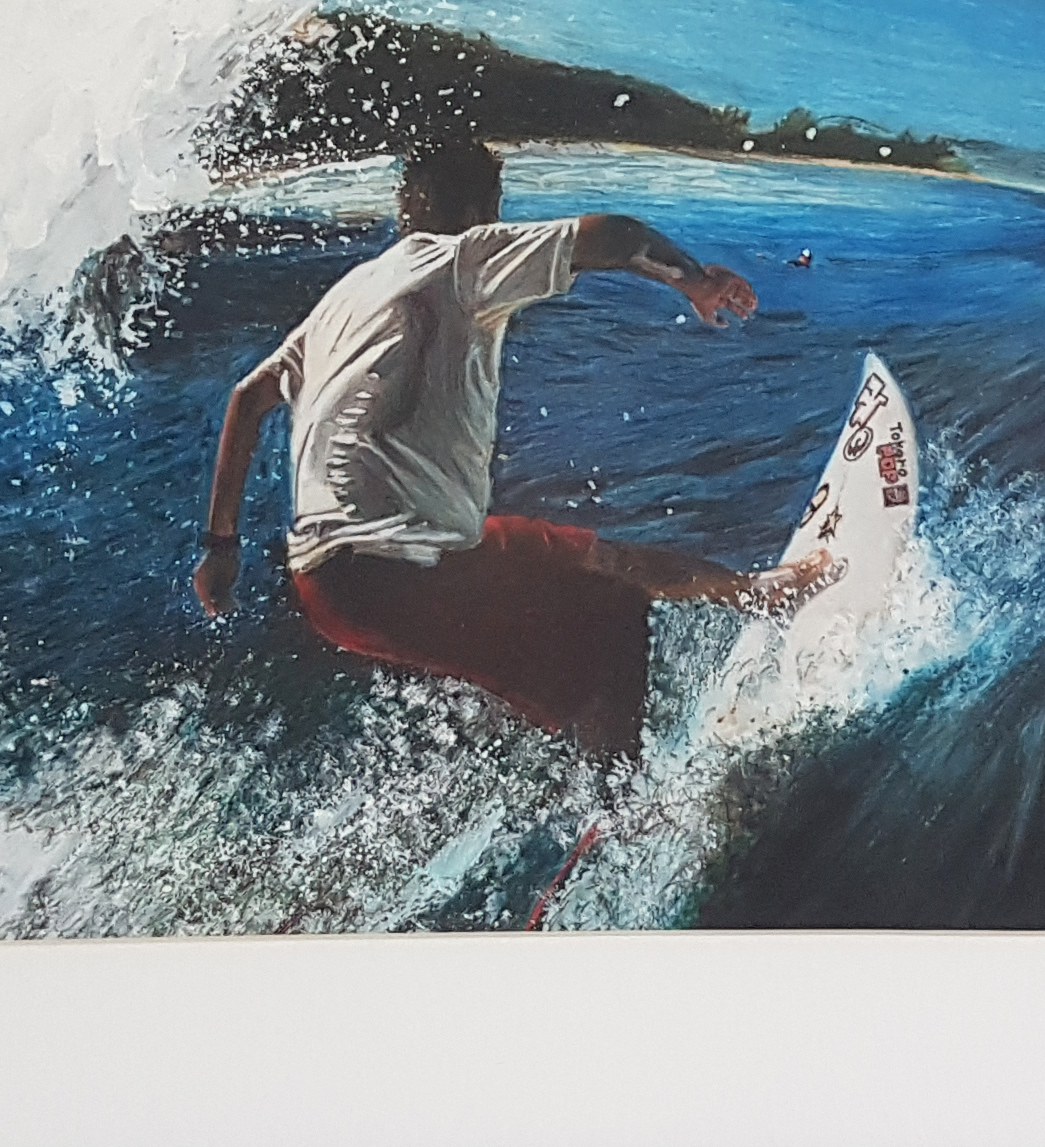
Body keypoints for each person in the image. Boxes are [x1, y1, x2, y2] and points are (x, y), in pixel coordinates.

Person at [191, 140, 827, 756]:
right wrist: (696, 280)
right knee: (608, 618)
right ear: (484, 209)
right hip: (389, 578)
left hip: (328, 579)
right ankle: (620, 808)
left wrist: (222, 549)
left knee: (578, 552)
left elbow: (247, 398)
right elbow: (614, 235)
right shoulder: (463, 257)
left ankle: (754, 590)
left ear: (405, 205)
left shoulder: (347, 294)